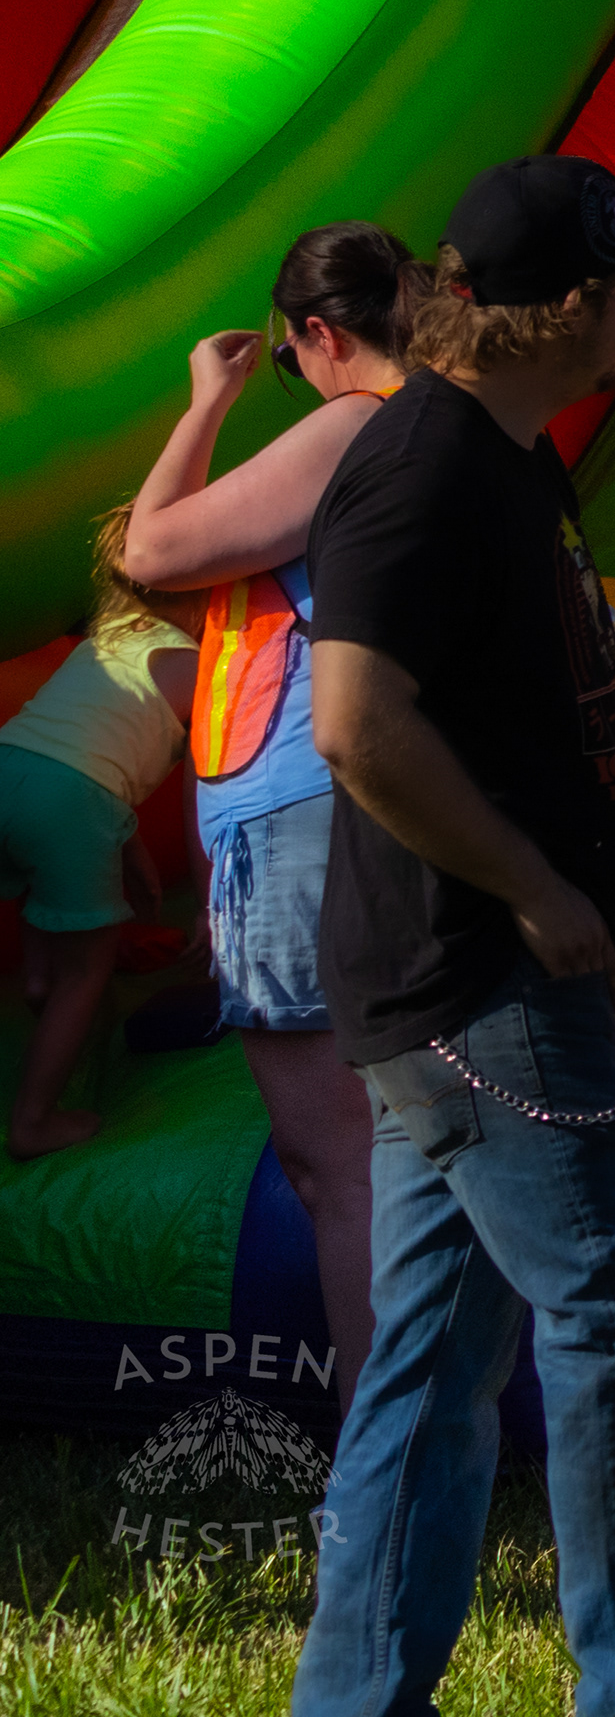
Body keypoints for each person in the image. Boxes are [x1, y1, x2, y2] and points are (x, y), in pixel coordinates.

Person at [290, 156, 615, 1717]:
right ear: (572, 308)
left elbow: (496, 676)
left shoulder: (505, 456)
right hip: (483, 974)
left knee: (429, 1373)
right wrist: (532, 887)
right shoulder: (420, 466)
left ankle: (355, 1701)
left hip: (452, 980)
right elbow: (358, 723)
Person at [121, 221, 426, 1412]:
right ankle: (421, 1436)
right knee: (393, 1153)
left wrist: (208, 399)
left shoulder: (355, 419)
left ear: (317, 334)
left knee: (340, 1167)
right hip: (366, 806)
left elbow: (152, 547)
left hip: (303, 811)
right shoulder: (446, 425)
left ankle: (383, 1453)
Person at [0, 513, 195, 1158]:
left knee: (37, 872)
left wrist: (128, 841)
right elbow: (199, 789)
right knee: (89, 967)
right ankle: (33, 1122)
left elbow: (94, 747)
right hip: (74, 803)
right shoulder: (194, 666)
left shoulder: (110, 633)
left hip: (11, 762)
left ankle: (34, 978)